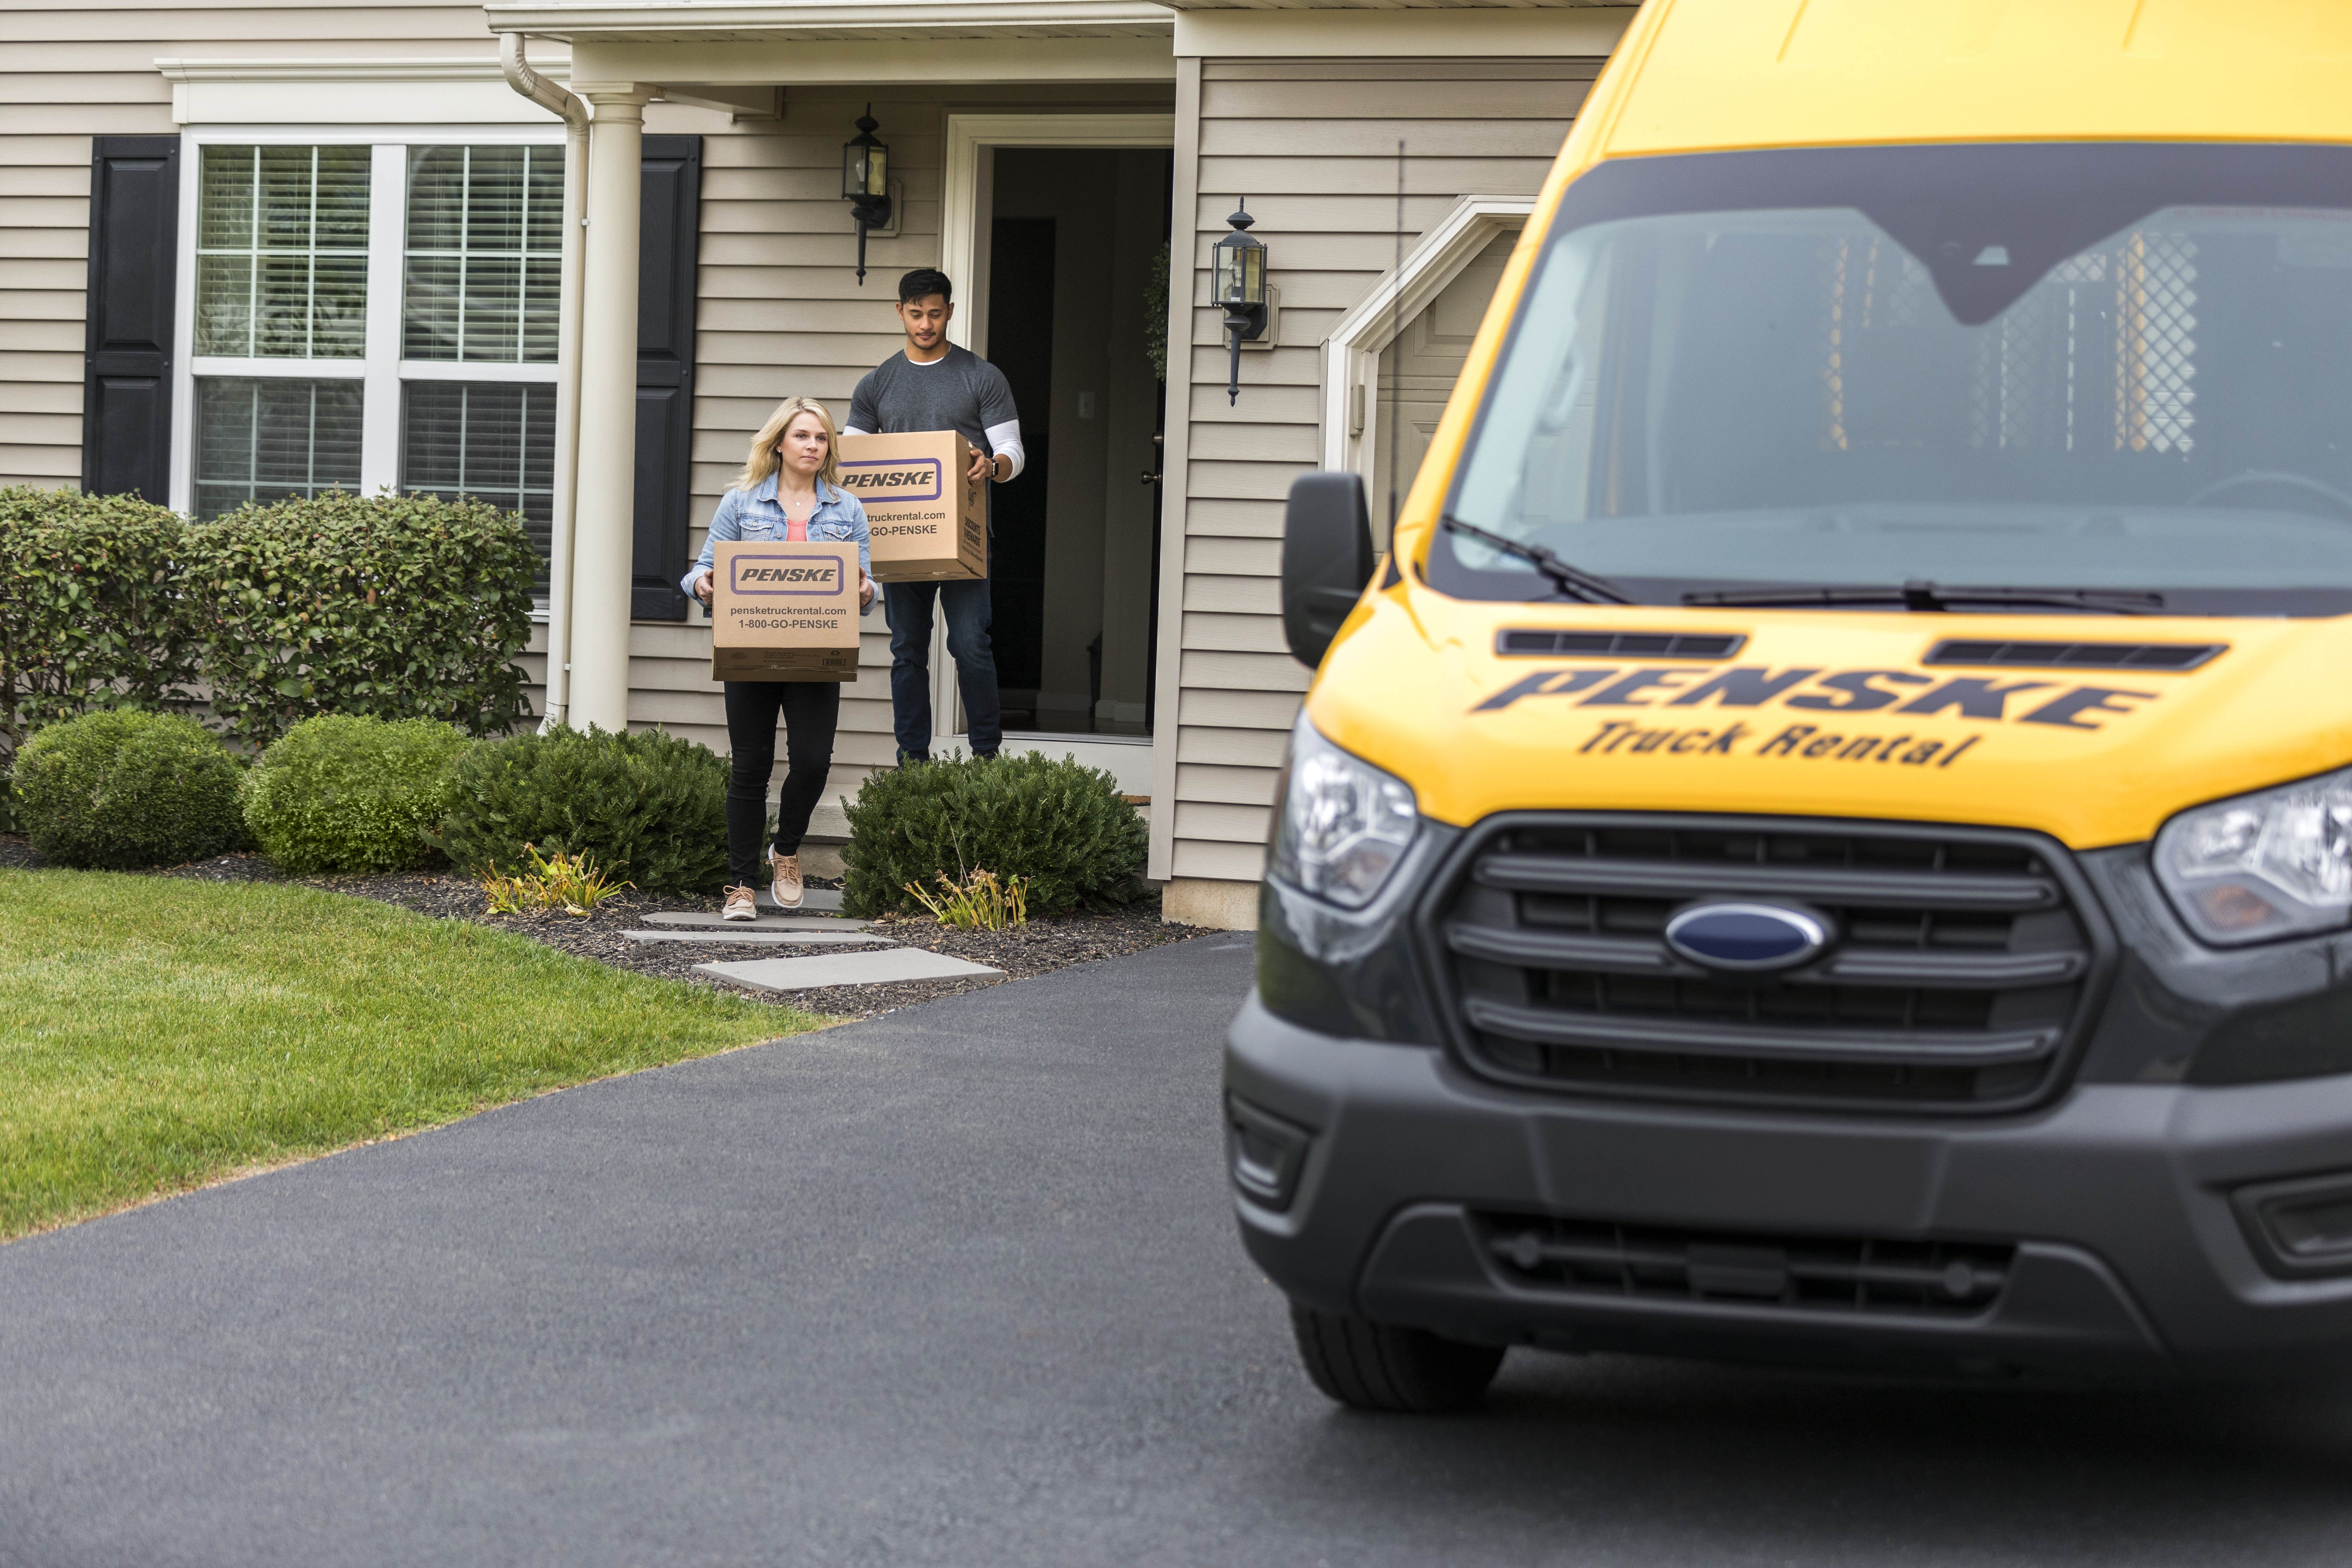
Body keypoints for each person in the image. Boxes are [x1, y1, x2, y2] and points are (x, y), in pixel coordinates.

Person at [685, 396, 876, 921]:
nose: (813, 446)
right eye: (803, 436)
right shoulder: (741, 503)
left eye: (821, 438)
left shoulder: (847, 508)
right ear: (779, 443)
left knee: (814, 761)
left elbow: (866, 581)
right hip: (750, 652)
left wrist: (863, 590)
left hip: (818, 652)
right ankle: (742, 885)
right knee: (750, 766)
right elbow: (701, 570)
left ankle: (786, 849)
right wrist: (704, 584)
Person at [845, 267, 1025, 764]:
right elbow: (852, 461)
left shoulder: (981, 377)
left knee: (971, 644)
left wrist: (994, 465)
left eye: (936, 313)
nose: (926, 324)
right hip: (902, 539)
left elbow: (1013, 450)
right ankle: (913, 765)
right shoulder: (877, 384)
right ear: (900, 312)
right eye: (917, 314)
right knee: (907, 650)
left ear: (950, 311)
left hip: (965, 537)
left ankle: (987, 758)